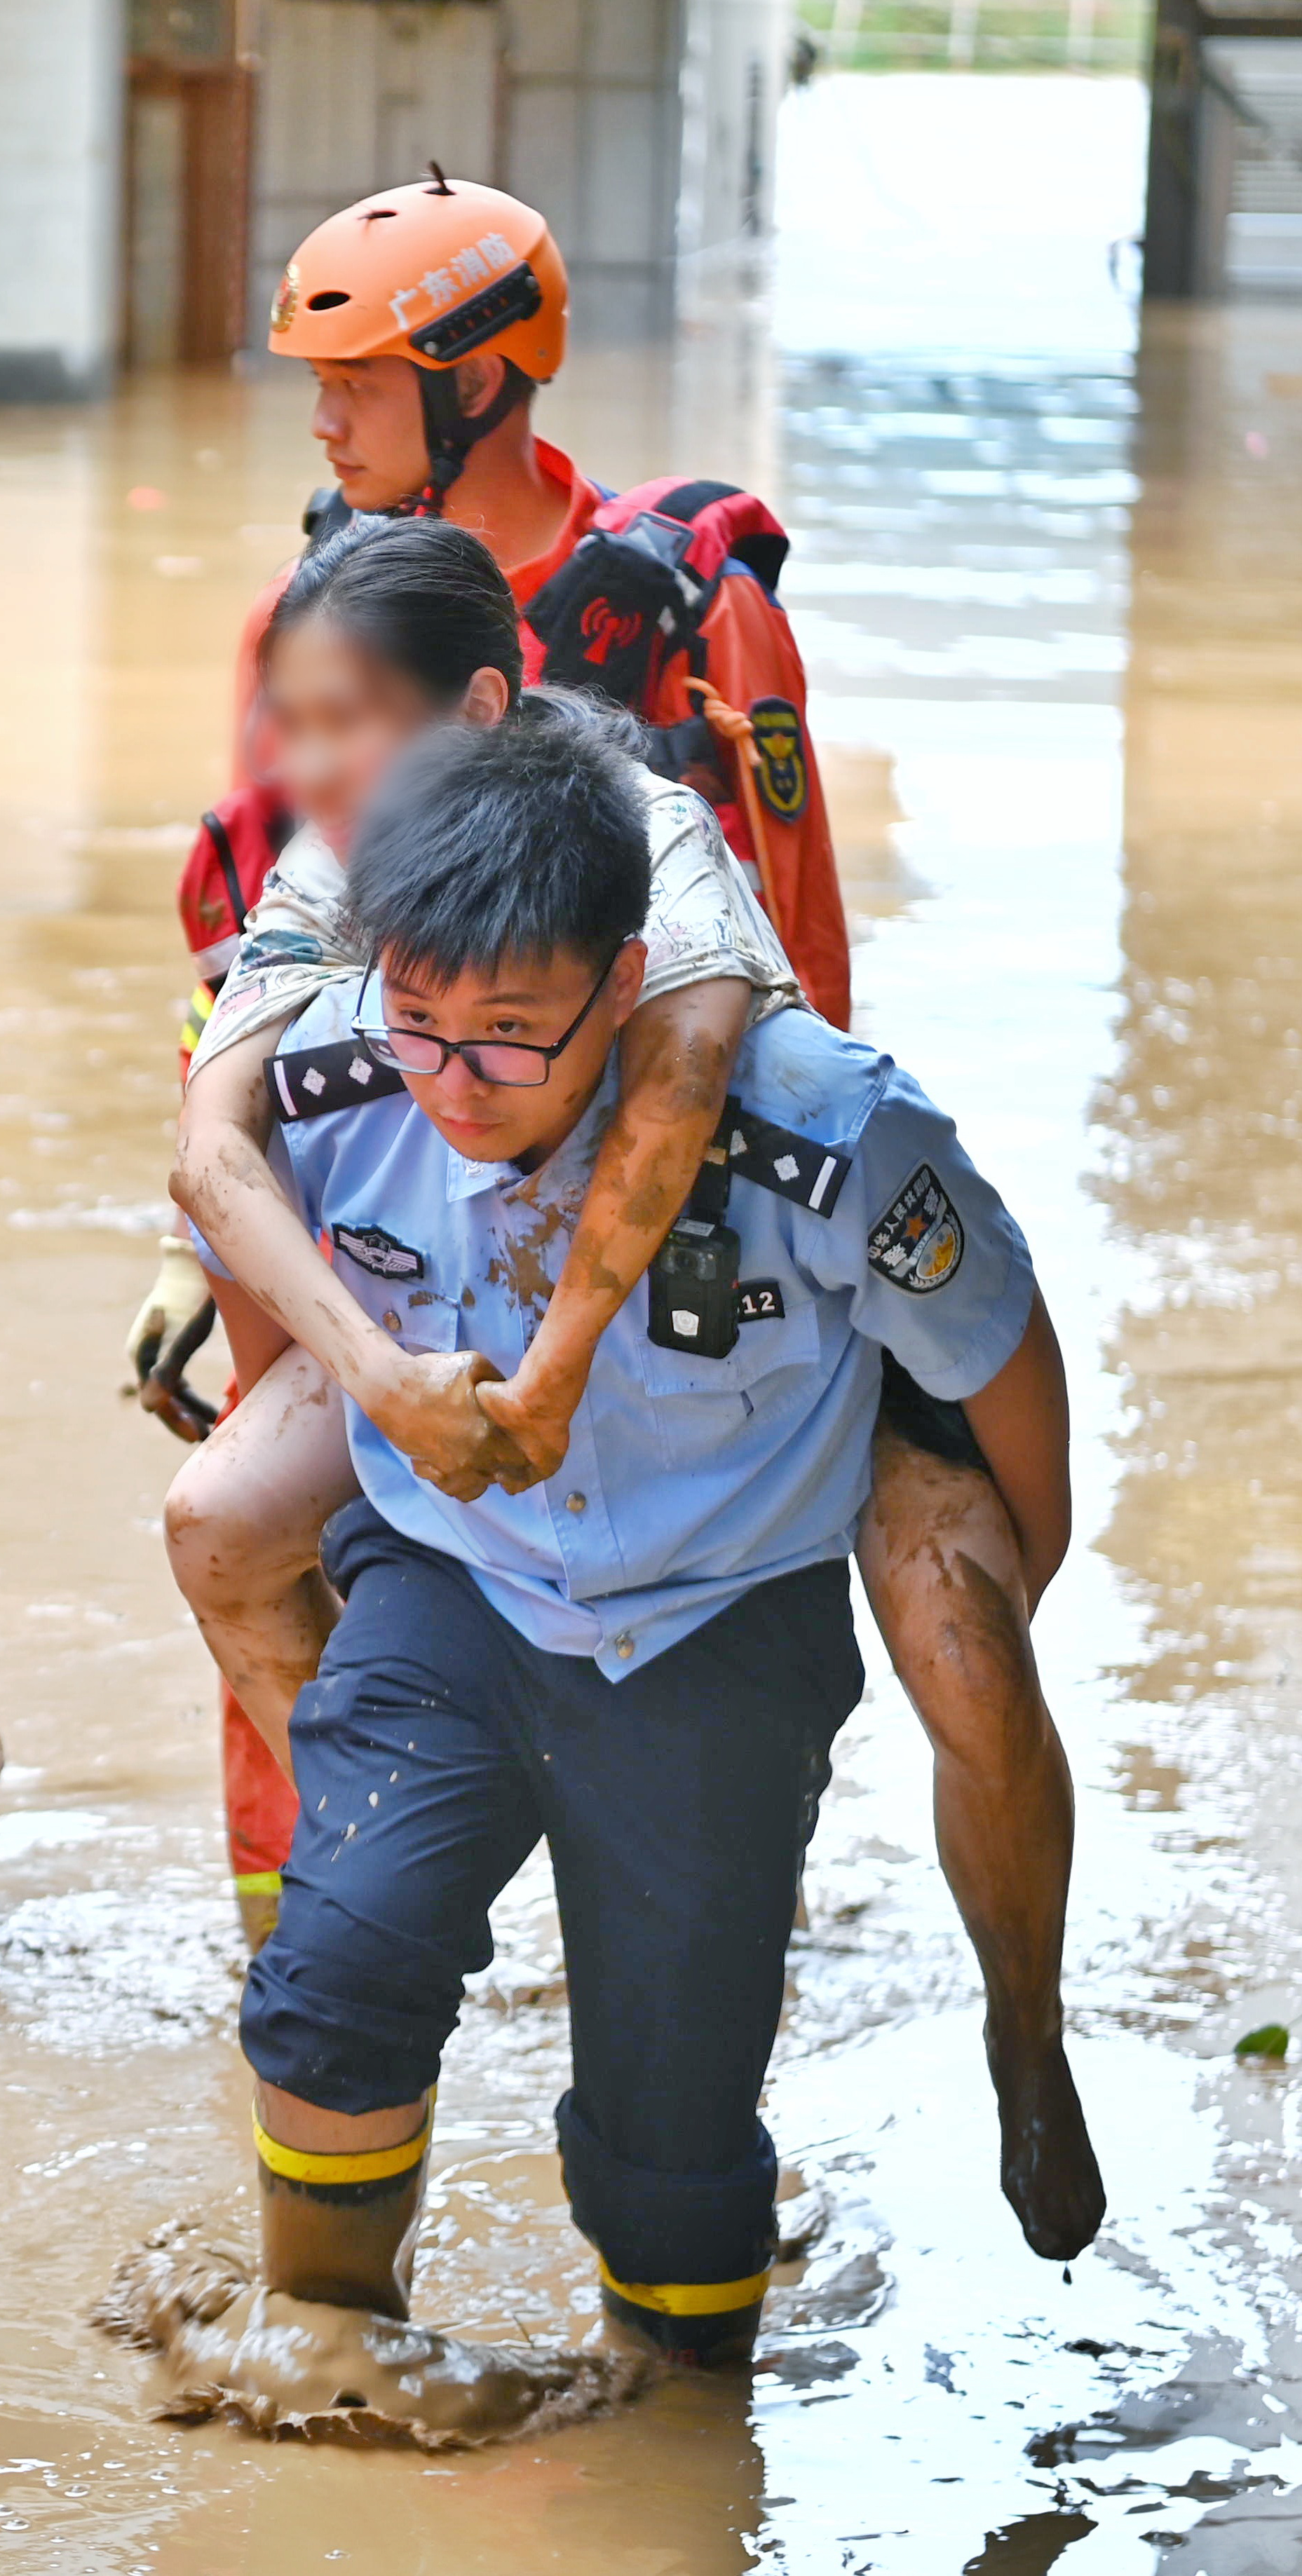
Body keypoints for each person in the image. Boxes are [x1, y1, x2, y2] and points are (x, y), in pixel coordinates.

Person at [168, 522, 1104, 2266]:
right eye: (421, 1030)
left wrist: (1003, 1579)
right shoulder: (337, 993)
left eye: (509, 1037)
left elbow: (1001, 1352)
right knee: (335, 1976)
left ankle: (1017, 2030)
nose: (453, 1083)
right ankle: (323, 2337)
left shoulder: (809, 1106)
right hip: (455, 1564)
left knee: (676, 2143)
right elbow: (219, 1163)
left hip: (718, 1593)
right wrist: (352, 1375)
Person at [169, 519, 796, 1928]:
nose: (313, 771)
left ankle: (1012, 2014)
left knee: (944, 1598)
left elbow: (688, 1069)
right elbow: (212, 1149)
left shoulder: (644, 827)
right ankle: (396, 1866)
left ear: (479, 711)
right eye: (300, 725)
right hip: (447, 1308)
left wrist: (563, 1363)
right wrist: (383, 1382)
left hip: (700, 1311)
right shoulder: (329, 860)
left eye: (358, 725)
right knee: (215, 1524)